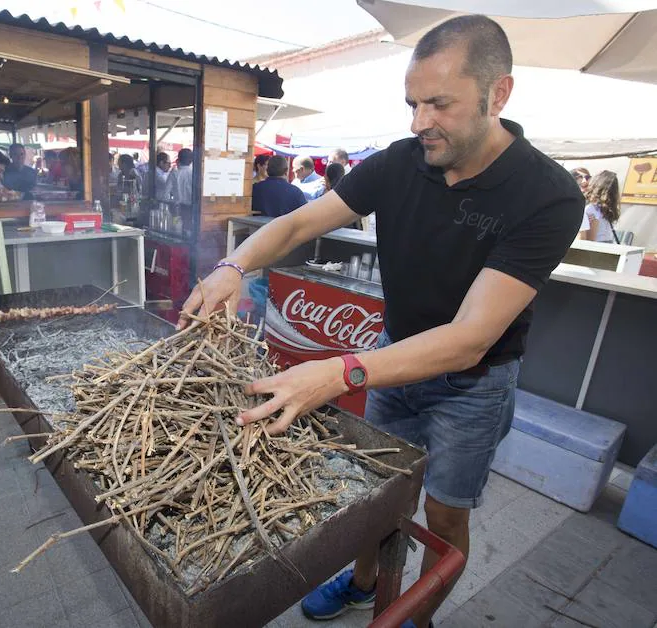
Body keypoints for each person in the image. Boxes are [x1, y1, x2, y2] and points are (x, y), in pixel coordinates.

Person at [178, 15, 583, 628]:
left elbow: (470, 339)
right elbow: (296, 225)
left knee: (446, 518)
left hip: (474, 386)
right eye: (413, 103)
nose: (420, 122)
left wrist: (336, 373)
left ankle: (416, 619)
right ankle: (364, 584)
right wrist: (232, 265)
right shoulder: (401, 162)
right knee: (376, 495)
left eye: (439, 104)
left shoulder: (547, 194)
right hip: (393, 358)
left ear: (498, 94)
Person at [579, 170, 620, 243]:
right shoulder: (610, 209)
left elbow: (589, 241)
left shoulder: (592, 209)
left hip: (597, 248)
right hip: (609, 246)